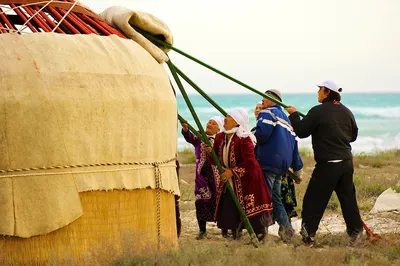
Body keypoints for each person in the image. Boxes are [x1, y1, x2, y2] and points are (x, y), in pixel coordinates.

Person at [285, 80, 363, 247]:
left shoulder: (318, 111)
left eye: (320, 90)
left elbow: (301, 131)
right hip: (346, 162)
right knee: (348, 199)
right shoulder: (346, 111)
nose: (317, 93)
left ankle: (308, 236)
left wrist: (293, 114)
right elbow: (353, 136)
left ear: (327, 92)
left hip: (328, 164)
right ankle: (356, 234)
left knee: (313, 200)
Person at [208, 108, 273, 242]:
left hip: (249, 180)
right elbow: (214, 160)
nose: (225, 119)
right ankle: (235, 236)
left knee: (252, 210)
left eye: (229, 117)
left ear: (237, 121)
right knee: (230, 207)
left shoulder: (244, 138)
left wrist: (232, 172)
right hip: (229, 180)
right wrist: (211, 152)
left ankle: (259, 238)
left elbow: (250, 161)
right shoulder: (220, 137)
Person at [254, 89, 303, 242]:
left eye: (265, 99)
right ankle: (287, 231)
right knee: (275, 198)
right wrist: (297, 169)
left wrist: (256, 130)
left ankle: (261, 234)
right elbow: (294, 146)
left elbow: (262, 136)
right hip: (282, 166)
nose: (262, 101)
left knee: (265, 199)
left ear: (273, 100)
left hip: (269, 162)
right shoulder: (287, 120)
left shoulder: (267, 113)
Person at [181, 116, 225, 240]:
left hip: (216, 174)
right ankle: (202, 230)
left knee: (219, 201)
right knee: (200, 200)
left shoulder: (220, 139)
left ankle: (224, 229)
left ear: (218, 128)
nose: (209, 124)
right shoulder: (199, 135)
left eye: (213, 123)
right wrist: (185, 129)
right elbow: (190, 137)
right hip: (201, 173)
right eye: (209, 122)